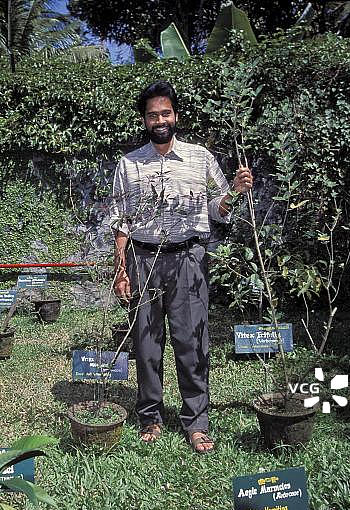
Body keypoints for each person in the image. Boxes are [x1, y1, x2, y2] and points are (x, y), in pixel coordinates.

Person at [109, 80, 253, 454]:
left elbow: (217, 208)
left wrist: (235, 192)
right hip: (143, 259)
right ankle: (150, 416)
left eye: (166, 113)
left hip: (189, 259)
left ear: (175, 116)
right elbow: (121, 220)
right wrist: (121, 269)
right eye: (152, 115)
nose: (160, 120)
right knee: (146, 343)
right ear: (144, 120)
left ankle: (196, 422)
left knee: (192, 341)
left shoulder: (200, 158)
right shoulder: (129, 164)